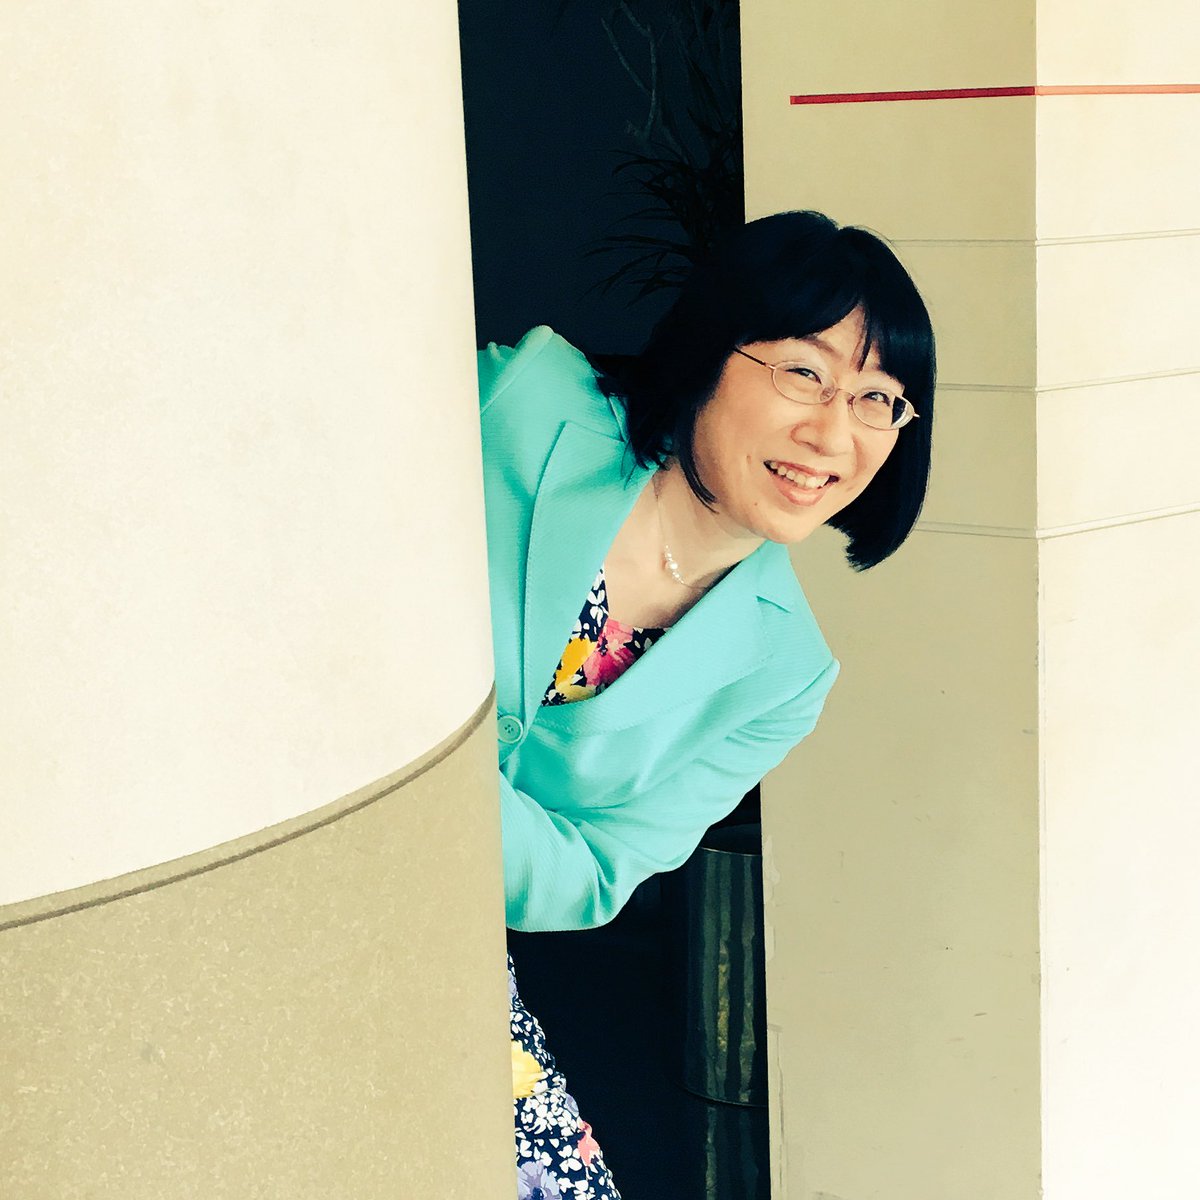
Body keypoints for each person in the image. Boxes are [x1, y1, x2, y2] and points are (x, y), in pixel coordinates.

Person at [477, 210, 936, 1200]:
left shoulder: (785, 676)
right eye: (803, 372)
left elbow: (593, 874)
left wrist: (430, 800)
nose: (833, 433)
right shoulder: (524, 402)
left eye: (878, 399)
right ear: (710, 350)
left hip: (439, 924)